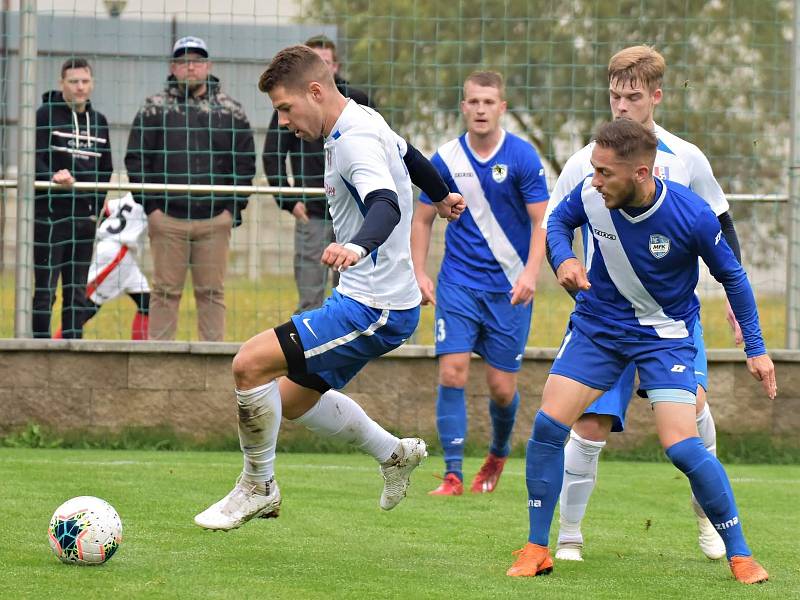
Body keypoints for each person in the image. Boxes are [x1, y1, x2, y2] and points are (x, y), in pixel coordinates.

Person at [193, 45, 465, 530]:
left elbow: (385, 202)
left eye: (285, 108)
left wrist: (358, 247)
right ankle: (394, 454)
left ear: (315, 92)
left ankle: (259, 487)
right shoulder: (362, 118)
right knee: (290, 401)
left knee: (249, 365)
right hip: (368, 300)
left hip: (374, 308)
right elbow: (410, 154)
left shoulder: (355, 139)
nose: (282, 123)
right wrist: (442, 194)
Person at [507, 118, 774, 585]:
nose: (594, 180)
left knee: (683, 447)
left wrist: (756, 348)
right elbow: (557, 223)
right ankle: (537, 546)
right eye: (594, 169)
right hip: (598, 329)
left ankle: (740, 554)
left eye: (605, 173)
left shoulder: (690, 215)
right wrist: (563, 257)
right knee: (549, 427)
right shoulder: (592, 195)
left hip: (663, 335)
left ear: (642, 175)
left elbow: (733, 277)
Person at [545, 45, 743, 562]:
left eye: (632, 97)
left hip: (672, 320)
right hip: (606, 317)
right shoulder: (583, 163)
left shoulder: (687, 159)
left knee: (691, 412)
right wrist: (565, 267)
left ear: (655, 96)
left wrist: (729, 300)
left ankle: (709, 520)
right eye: (614, 96)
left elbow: (721, 226)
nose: (621, 107)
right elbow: (557, 228)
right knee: (588, 424)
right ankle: (569, 537)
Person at [410, 71, 549, 496]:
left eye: (489, 102)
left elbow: (542, 220)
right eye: (473, 101)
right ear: (463, 106)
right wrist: (419, 272)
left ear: (502, 108)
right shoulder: (445, 159)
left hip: (510, 289)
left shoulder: (523, 157)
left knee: (501, 388)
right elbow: (422, 219)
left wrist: (530, 273)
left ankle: (498, 451)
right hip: (459, 284)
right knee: (452, 372)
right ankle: (452, 474)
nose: (481, 109)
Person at [124, 36, 256, 341]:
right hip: (167, 218)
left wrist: (231, 210)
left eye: (197, 61)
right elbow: (136, 160)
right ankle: (159, 362)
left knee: (211, 293)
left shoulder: (230, 111)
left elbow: (245, 164)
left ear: (208, 66)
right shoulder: (153, 108)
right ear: (173, 67)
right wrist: (152, 208)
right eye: (183, 62)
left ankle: (212, 363)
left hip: (214, 219)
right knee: (165, 292)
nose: (191, 67)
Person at [263, 34, 374, 313]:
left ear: (334, 68)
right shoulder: (290, 106)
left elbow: (384, 150)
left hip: (353, 216)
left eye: (326, 62)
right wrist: (288, 200)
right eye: (315, 61)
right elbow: (272, 154)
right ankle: (309, 353)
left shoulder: (358, 101)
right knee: (310, 296)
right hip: (312, 213)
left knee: (354, 295)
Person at [33, 57, 113, 338]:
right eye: (73, 82)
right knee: (45, 290)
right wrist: (53, 177)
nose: (79, 87)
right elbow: (33, 158)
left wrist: (96, 205)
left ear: (92, 84)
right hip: (50, 216)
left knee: (76, 291)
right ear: (62, 84)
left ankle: (72, 347)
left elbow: (106, 168)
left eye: (84, 81)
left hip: (84, 218)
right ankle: (39, 348)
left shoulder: (99, 122)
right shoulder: (45, 115)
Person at [54, 193, 151, 340]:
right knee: (88, 305)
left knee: (147, 303)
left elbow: (108, 208)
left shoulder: (128, 197)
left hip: (123, 253)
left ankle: (141, 353)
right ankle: (57, 345)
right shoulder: (150, 196)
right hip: (116, 254)